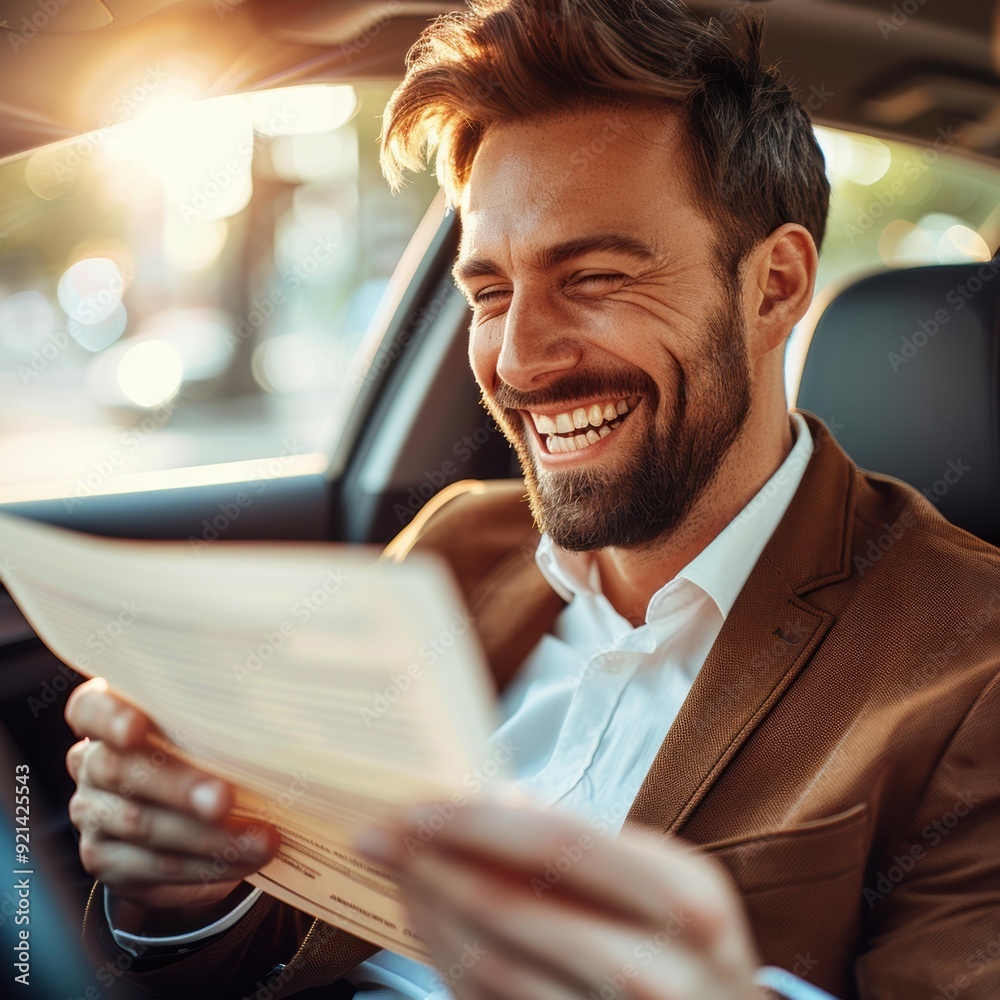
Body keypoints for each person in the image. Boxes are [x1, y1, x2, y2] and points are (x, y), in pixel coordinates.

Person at [65, 1, 1000, 998]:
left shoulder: (969, 658)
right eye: (490, 292)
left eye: (593, 276)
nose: (516, 361)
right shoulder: (451, 548)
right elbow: (288, 934)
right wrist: (185, 892)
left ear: (772, 287)